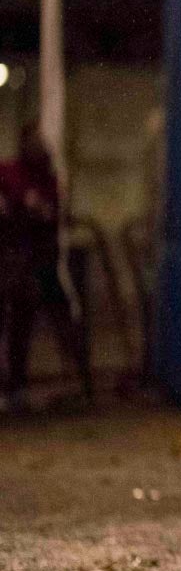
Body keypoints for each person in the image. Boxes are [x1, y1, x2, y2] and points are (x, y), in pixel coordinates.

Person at [0, 124, 92, 410]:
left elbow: (53, 213)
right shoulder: (10, 173)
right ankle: (13, 387)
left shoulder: (49, 178)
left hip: (43, 260)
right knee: (14, 323)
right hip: (14, 259)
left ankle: (83, 382)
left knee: (60, 315)